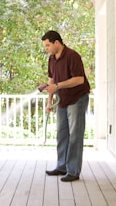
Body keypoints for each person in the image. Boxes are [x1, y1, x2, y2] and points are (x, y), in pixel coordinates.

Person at [41, 30, 91, 182]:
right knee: (62, 134)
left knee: (75, 135)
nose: (46, 48)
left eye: (48, 45)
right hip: (62, 100)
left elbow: (79, 79)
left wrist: (57, 85)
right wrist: (50, 102)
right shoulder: (51, 59)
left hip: (77, 99)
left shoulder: (72, 56)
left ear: (57, 42)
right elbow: (51, 82)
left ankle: (73, 171)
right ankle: (62, 166)